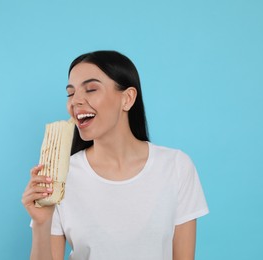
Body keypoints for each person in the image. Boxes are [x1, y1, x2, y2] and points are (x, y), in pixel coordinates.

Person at [22, 50, 209, 260]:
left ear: (127, 98)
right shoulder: (60, 178)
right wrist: (41, 224)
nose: (75, 101)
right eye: (70, 93)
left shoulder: (176, 167)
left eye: (91, 89)